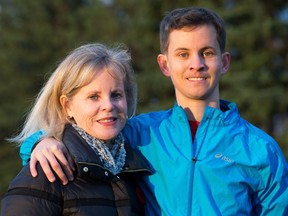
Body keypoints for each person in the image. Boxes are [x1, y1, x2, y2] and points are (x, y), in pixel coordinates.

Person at [17, 7, 288, 215]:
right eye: (183, 54)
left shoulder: (261, 151)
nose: (196, 64)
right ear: (164, 64)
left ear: (224, 61)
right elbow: (81, 135)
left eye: (207, 52)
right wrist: (41, 142)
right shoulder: (137, 133)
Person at [1, 43, 153, 216]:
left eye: (116, 95)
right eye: (94, 97)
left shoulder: (134, 172)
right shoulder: (47, 168)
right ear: (67, 106)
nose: (108, 106)